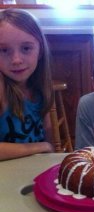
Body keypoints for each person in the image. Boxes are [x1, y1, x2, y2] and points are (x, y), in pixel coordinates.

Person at [0, 8, 54, 161]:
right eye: (3, 50)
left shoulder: (40, 87)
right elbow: (46, 145)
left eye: (26, 48)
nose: (16, 59)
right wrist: (40, 146)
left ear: (40, 50)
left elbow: (48, 134)